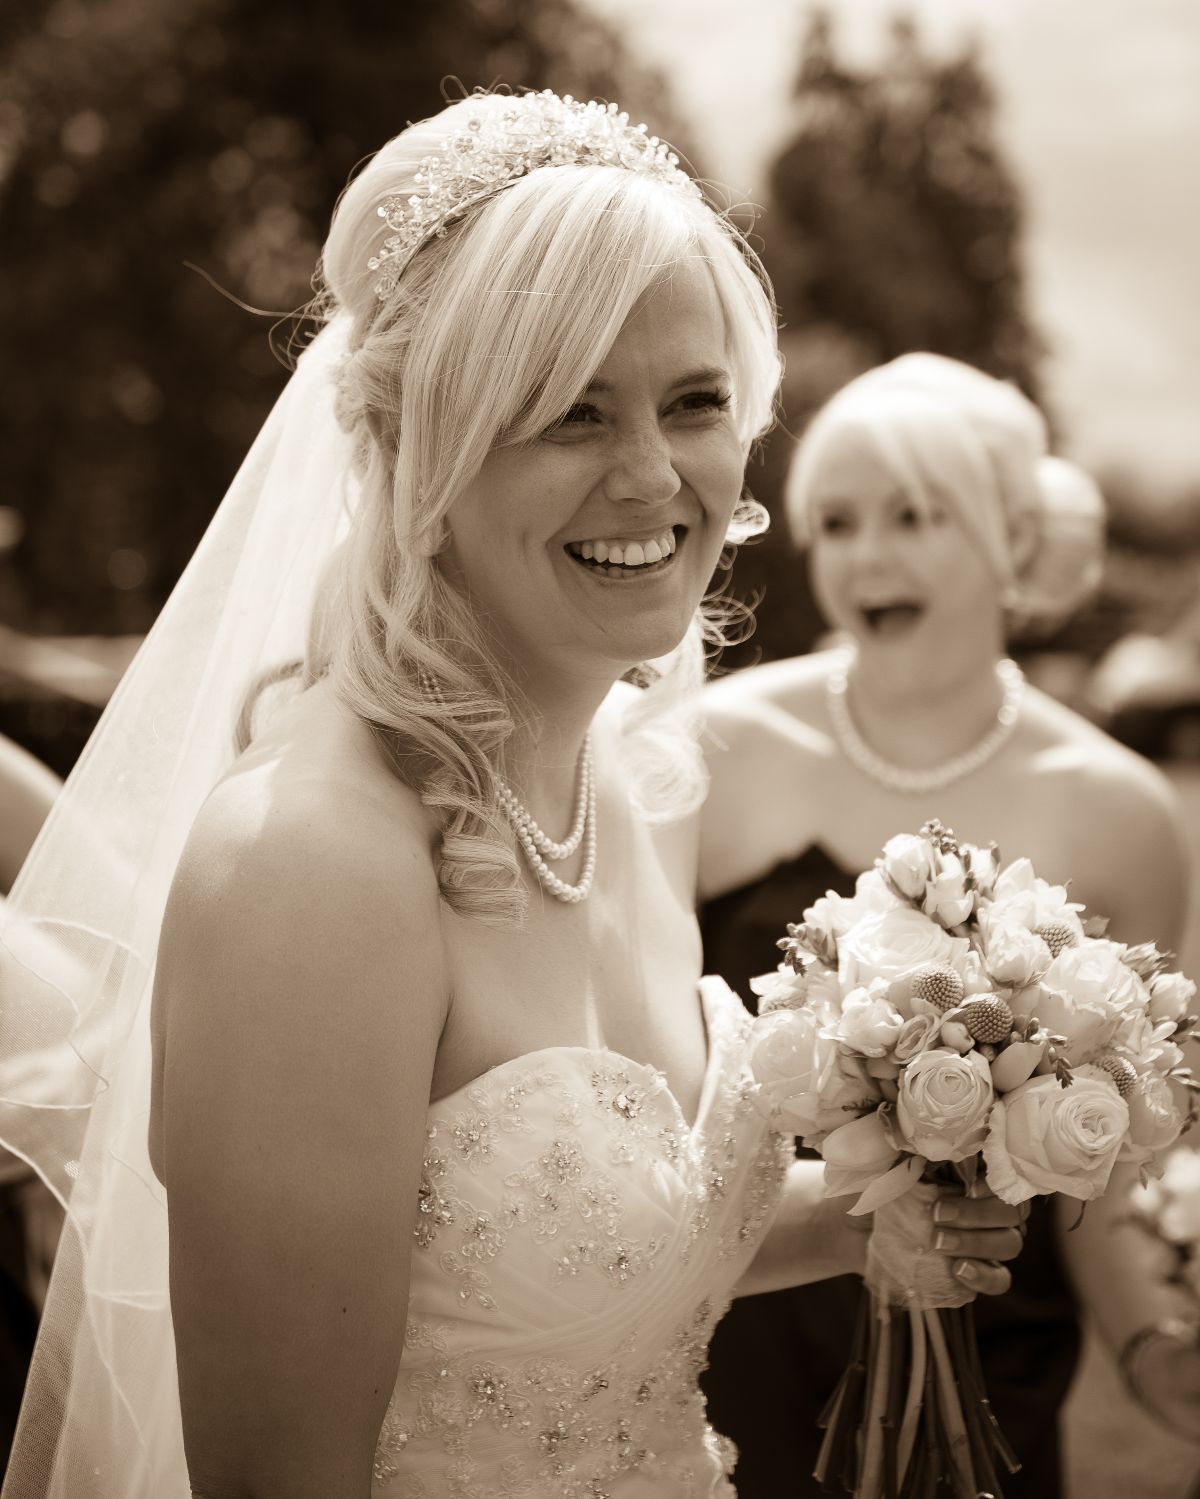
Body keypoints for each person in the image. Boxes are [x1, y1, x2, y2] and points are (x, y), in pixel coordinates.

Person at [0, 95, 1024, 1499]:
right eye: (569, 412)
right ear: (417, 446)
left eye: (695, 401)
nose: (654, 476)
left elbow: (587, 1272)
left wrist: (864, 1212)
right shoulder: (312, 867)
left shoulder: (624, 784)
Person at [697, 352, 1198, 1496]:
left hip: (993, 1336)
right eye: (838, 521)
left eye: (914, 515)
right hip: (752, 1320)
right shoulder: (716, 749)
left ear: (1012, 539)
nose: (867, 555)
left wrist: (1148, 1345)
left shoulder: (1120, 808)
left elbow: (1119, 1149)